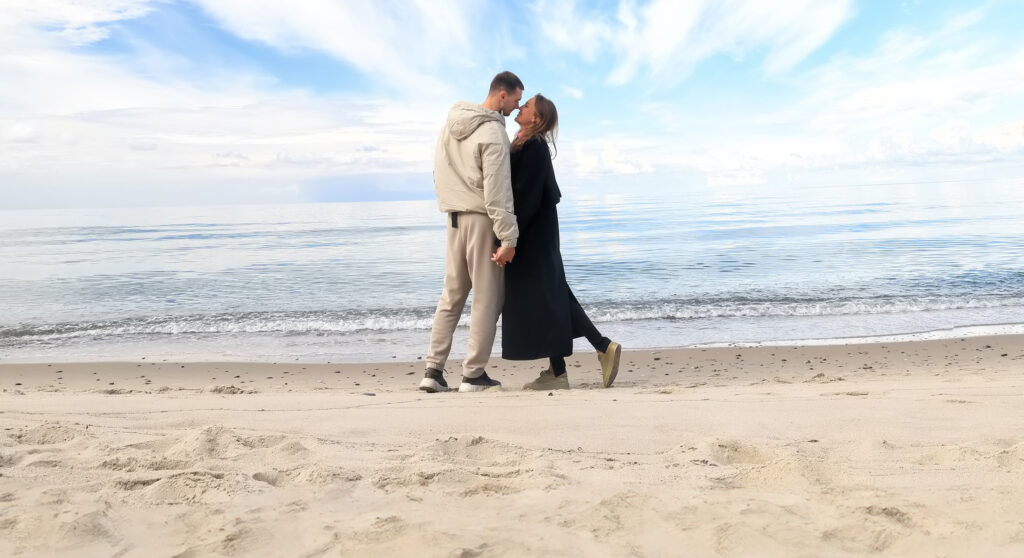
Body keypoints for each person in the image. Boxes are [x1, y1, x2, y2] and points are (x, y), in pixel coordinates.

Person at [500, 94, 621, 390]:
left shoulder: (534, 146)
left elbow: (525, 198)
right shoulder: (527, 143)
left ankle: (599, 348)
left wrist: (507, 238)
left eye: (525, 106)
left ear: (537, 119)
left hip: (532, 233)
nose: (520, 107)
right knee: (551, 296)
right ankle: (562, 369)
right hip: (537, 230)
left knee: (550, 295)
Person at [418, 71, 523, 394]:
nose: (517, 108)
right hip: (481, 218)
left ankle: (432, 371)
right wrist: (508, 238)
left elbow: (438, 171)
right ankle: (473, 374)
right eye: (516, 100)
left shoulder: (450, 126)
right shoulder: (493, 131)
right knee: (487, 298)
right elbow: (497, 191)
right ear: (501, 95)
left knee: (451, 296)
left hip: (453, 218)